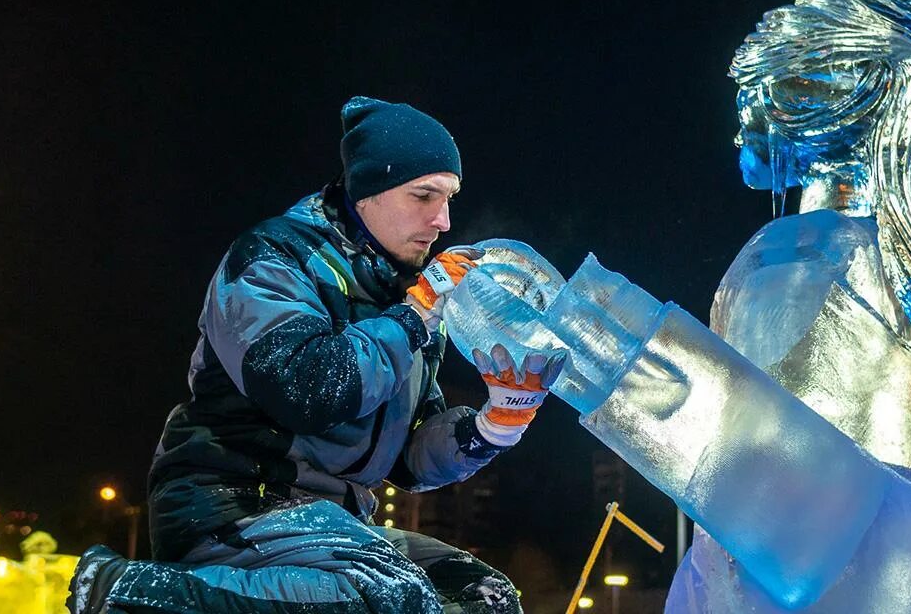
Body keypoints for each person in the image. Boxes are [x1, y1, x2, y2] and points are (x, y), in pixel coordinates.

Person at [68, 96, 565, 613]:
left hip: (336, 520)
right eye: (423, 196)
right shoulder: (276, 258)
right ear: (367, 191)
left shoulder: (414, 300)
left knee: (485, 599)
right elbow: (307, 390)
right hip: (233, 503)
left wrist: (496, 423)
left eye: (449, 199)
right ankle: (130, 596)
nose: (442, 220)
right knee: (391, 598)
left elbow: (407, 461)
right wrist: (414, 318)